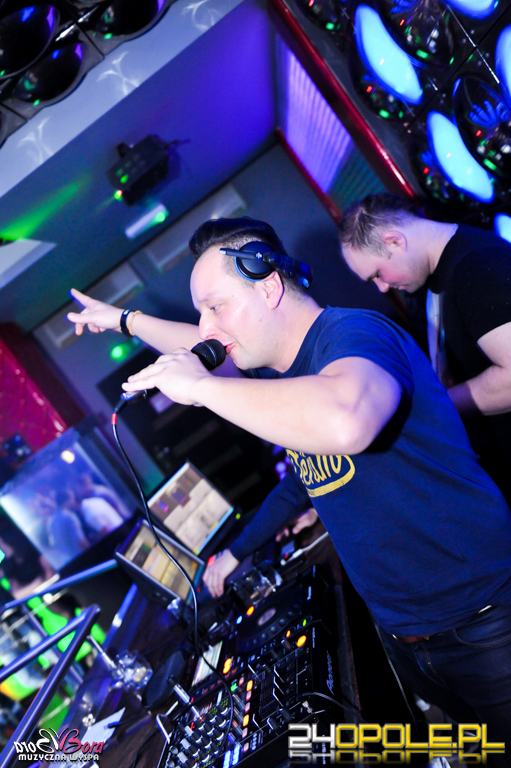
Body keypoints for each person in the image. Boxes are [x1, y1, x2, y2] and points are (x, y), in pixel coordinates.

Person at [68, 216, 511, 747]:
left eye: (215, 307)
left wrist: (203, 388)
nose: (205, 327)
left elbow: (347, 420)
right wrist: (125, 320)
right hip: (406, 634)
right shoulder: (281, 369)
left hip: (487, 623)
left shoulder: (355, 334)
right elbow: (200, 344)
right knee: (468, 750)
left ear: (269, 286)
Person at [338, 193, 511, 505]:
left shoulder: (476, 265)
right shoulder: (436, 278)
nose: (382, 287)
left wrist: (435, 406)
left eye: (377, 274)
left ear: (394, 241)